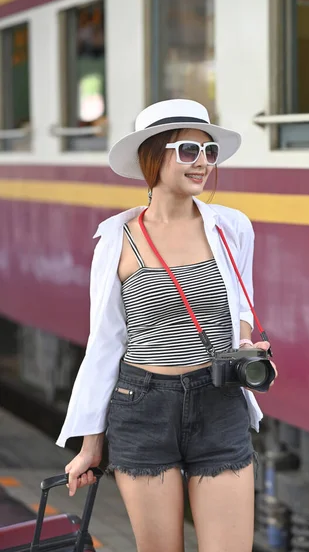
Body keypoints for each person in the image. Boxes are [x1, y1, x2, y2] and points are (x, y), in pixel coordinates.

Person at [56, 99, 278, 552]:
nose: (203, 164)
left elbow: (240, 307)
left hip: (219, 404)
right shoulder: (117, 239)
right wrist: (90, 444)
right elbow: (104, 344)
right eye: (188, 151)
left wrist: (244, 343)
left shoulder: (232, 227)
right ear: (153, 156)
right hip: (143, 408)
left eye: (209, 151)